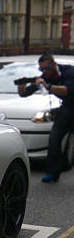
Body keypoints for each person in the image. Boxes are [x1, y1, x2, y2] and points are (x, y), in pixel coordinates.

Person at [18, 52, 74, 183]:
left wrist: (48, 86)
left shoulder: (69, 72)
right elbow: (26, 93)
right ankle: (52, 173)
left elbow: (67, 90)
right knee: (54, 137)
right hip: (68, 109)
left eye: (47, 68)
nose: (44, 72)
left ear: (54, 64)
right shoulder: (46, 76)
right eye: (41, 69)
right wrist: (22, 88)